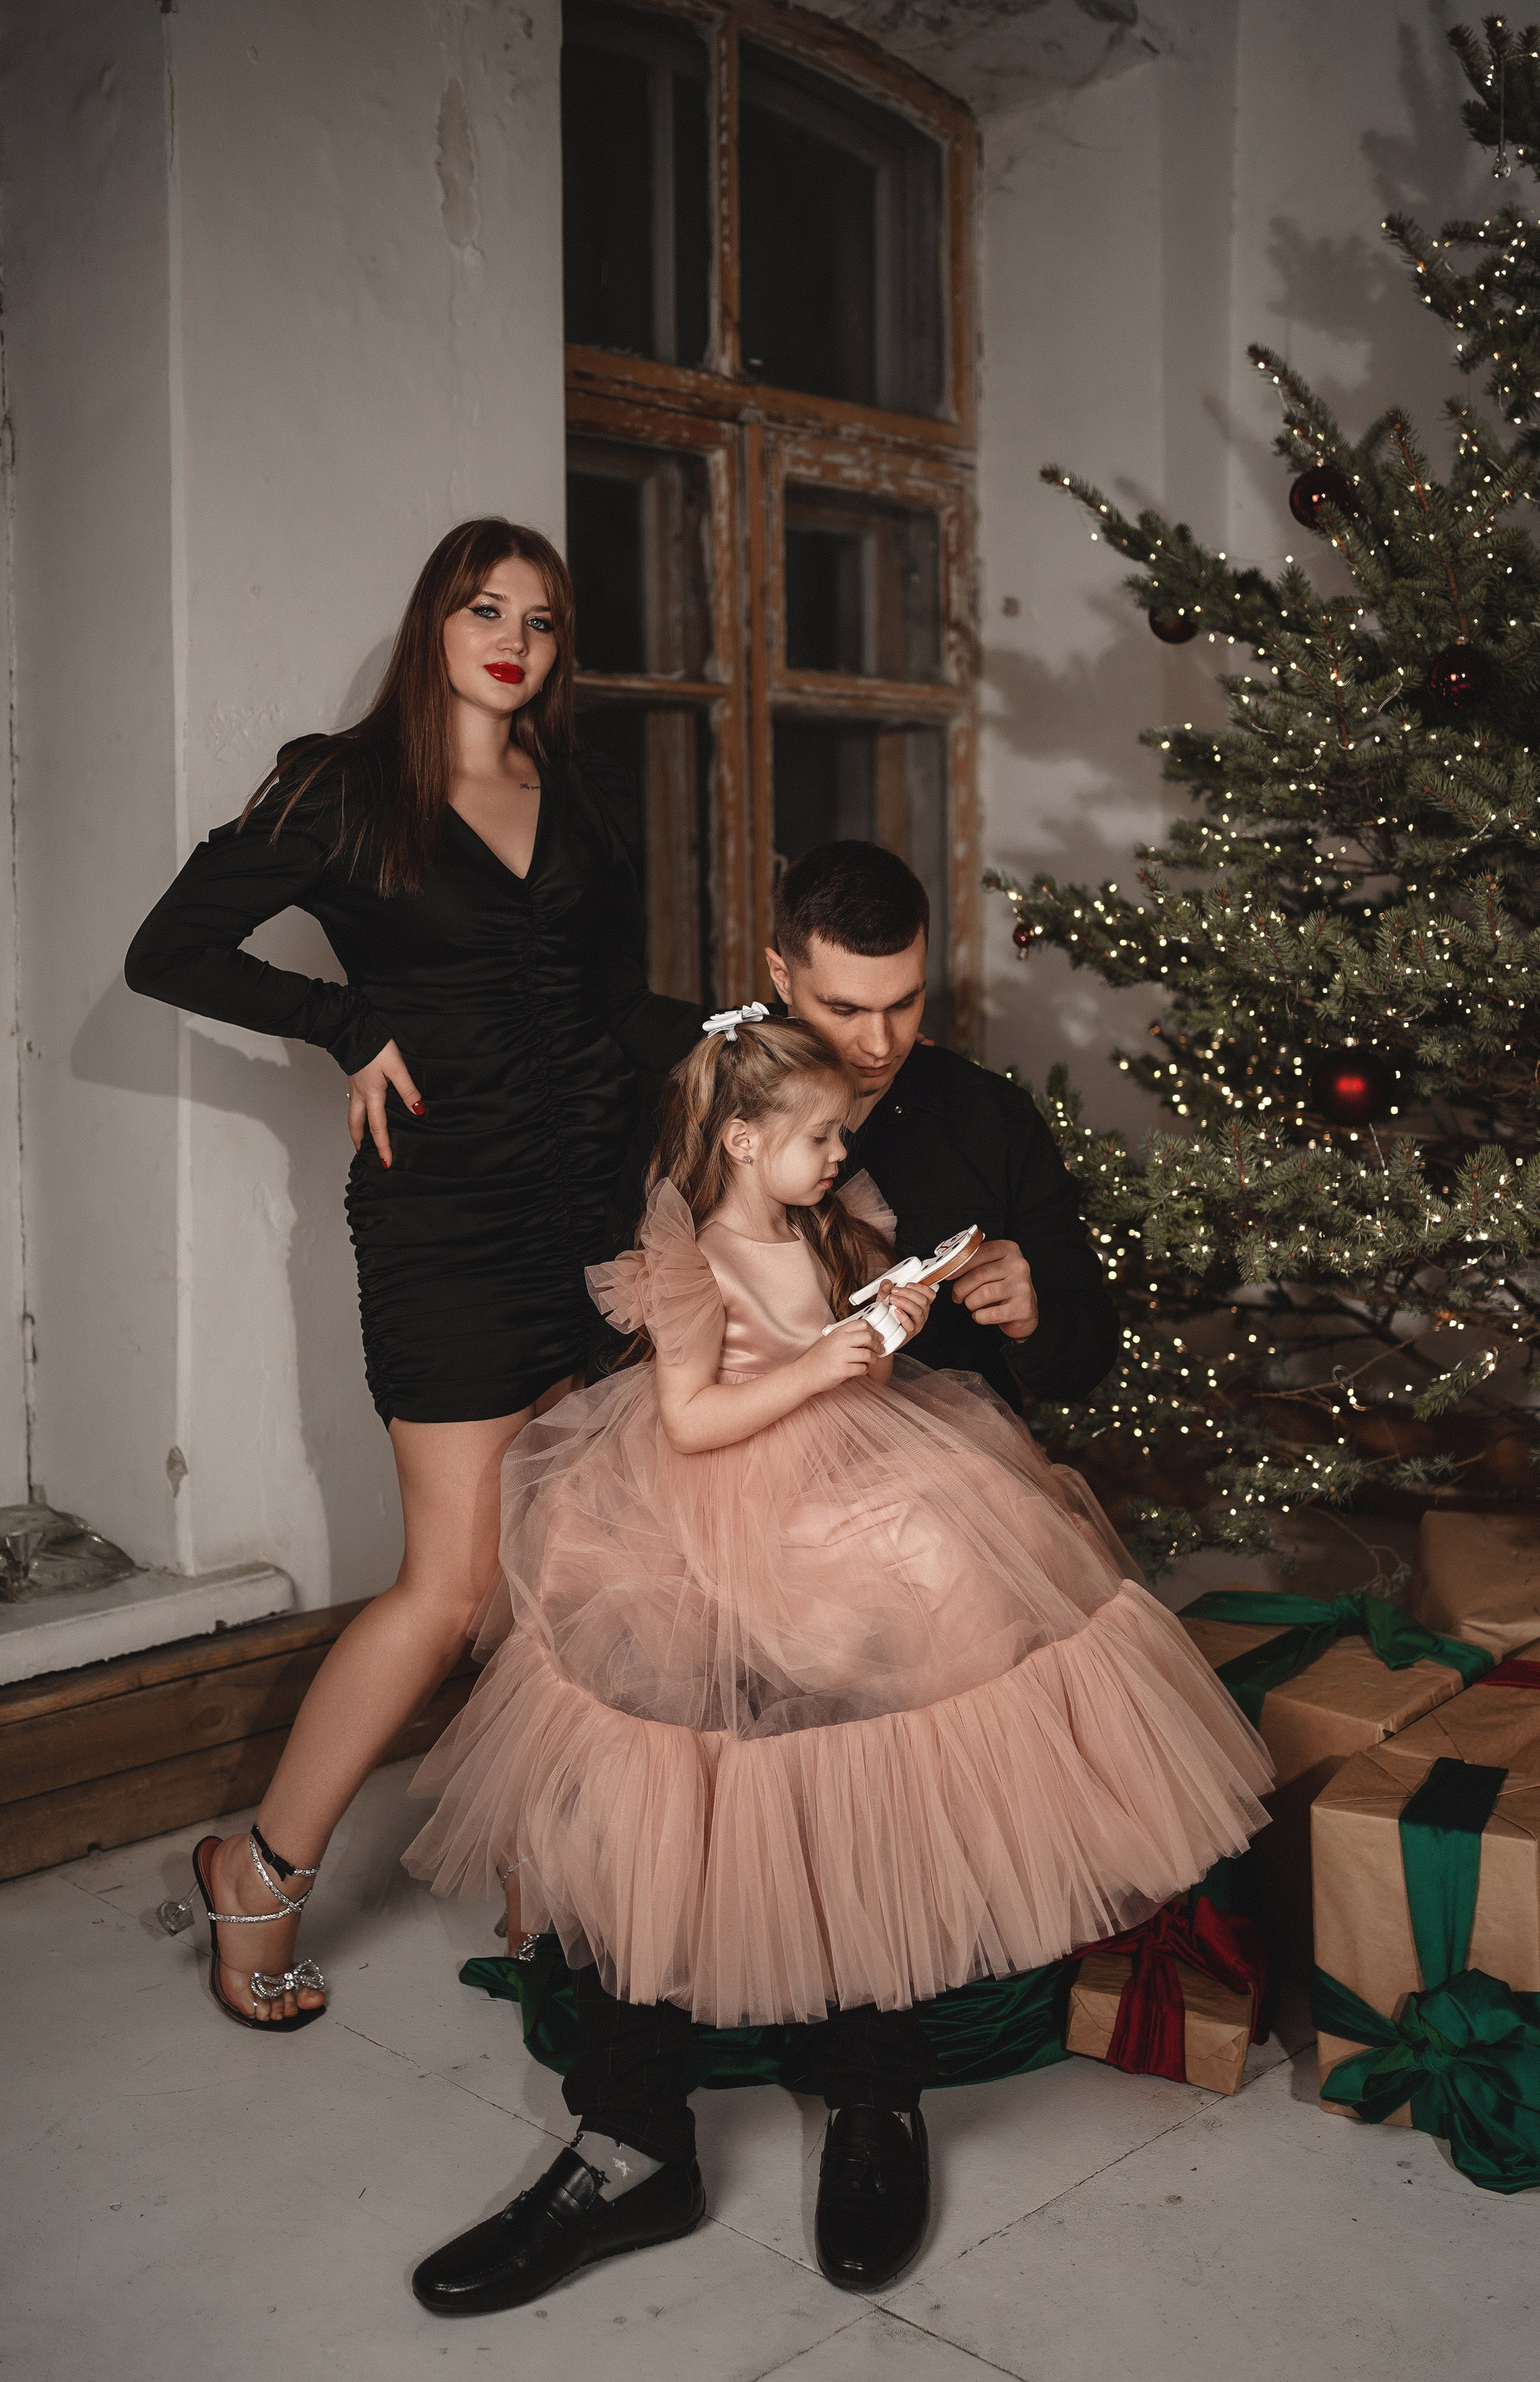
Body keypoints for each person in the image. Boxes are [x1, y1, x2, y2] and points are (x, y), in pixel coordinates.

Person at [404, 1011, 1271, 2315]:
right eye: (819, 1134)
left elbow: (847, 1340)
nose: (842, 1148)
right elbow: (693, 1413)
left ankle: (877, 2095)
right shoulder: (685, 1251)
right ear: (746, 1137)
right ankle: (633, 2139)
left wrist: (888, 1316)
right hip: (701, 1513)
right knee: (660, 1760)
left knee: (883, 1744)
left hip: (852, 1501)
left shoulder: (827, 1213)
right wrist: (822, 1363)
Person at [125, 517, 701, 2032]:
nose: (513, 640)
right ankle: (256, 1870)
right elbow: (168, 950)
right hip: (443, 1221)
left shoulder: (579, 796)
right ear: (433, 623)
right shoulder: (343, 787)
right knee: (448, 1588)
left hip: (587, 1221)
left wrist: (744, 1041)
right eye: (483, 608)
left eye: (542, 619)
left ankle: (535, 1873)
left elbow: (613, 1007)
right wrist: (340, 1024)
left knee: (555, 1574)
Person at [602, 839, 1120, 1412]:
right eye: (844, 1010)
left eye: (904, 1004)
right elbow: (617, 1347)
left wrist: (1032, 1319)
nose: (879, 1045)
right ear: (781, 976)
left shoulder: (991, 1119)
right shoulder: (700, 1106)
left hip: (950, 1452)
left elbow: (1088, 1354)